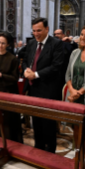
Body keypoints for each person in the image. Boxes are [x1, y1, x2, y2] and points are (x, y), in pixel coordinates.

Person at [22, 17, 64, 153]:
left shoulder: (56, 44)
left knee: (48, 123)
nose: (36, 33)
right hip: (33, 88)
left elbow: (56, 66)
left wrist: (36, 74)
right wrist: (26, 70)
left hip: (49, 89)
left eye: (39, 30)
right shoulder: (32, 43)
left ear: (47, 29)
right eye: (34, 31)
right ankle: (38, 148)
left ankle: (50, 152)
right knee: (36, 122)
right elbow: (25, 60)